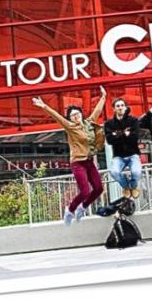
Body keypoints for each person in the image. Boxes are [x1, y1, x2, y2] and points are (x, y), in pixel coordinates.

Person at [32, 86, 106, 226]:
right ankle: (70, 210)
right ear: (70, 118)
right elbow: (58, 117)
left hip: (89, 162)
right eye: (73, 116)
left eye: (77, 114)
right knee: (84, 191)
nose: (76, 117)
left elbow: (97, 110)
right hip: (78, 163)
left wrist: (103, 96)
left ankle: (82, 208)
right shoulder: (70, 127)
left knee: (98, 188)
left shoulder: (89, 123)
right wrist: (44, 106)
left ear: (81, 114)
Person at [104, 98, 142, 199]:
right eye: (118, 106)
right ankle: (125, 186)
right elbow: (109, 140)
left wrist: (117, 135)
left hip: (133, 154)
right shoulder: (109, 124)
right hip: (118, 156)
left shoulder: (133, 121)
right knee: (114, 172)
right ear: (114, 109)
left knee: (136, 172)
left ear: (125, 107)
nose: (120, 108)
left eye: (122, 105)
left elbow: (135, 138)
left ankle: (133, 186)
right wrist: (126, 135)